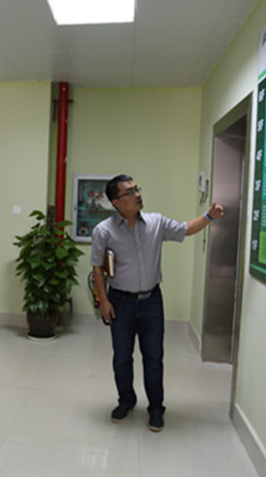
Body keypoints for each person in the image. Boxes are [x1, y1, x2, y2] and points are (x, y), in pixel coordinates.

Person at [90, 174, 224, 432]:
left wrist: (208, 216)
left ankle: (156, 408)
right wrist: (103, 301)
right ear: (116, 202)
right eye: (129, 192)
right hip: (120, 302)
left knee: (154, 357)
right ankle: (126, 401)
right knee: (122, 357)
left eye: (137, 189)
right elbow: (97, 267)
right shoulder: (103, 231)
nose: (137, 194)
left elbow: (185, 229)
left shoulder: (156, 222)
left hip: (151, 301)